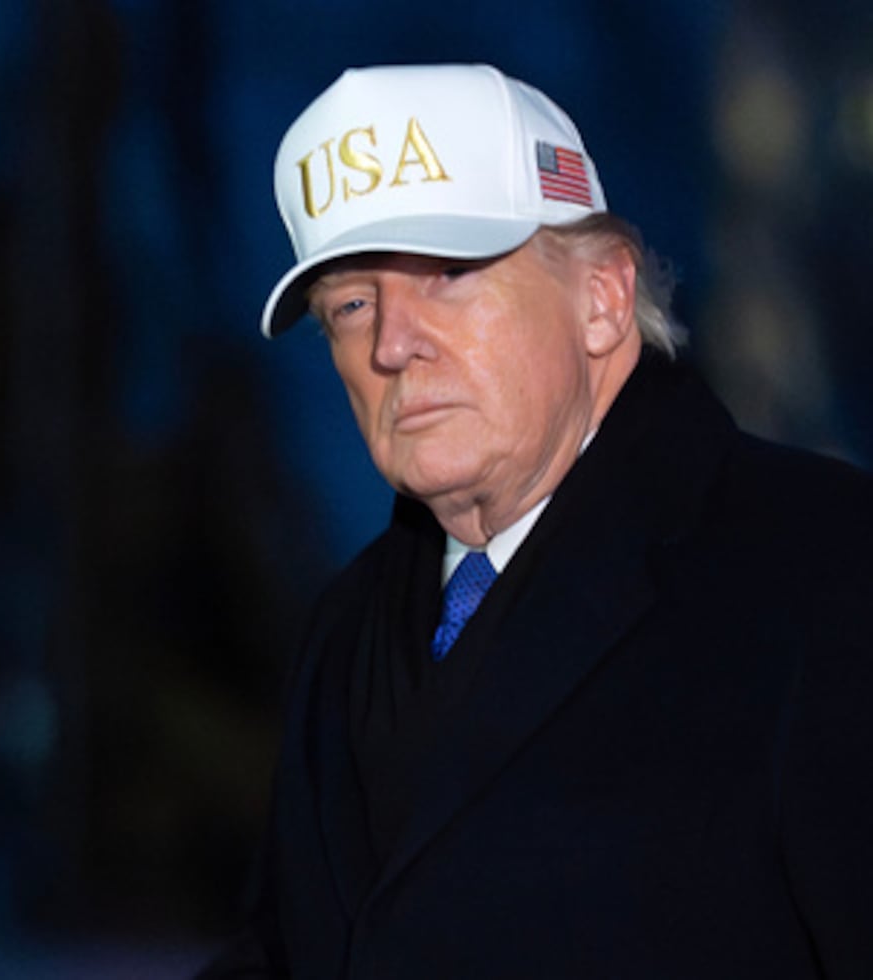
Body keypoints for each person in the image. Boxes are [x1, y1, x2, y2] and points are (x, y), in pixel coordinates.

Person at [199, 63, 873, 979]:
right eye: (352, 305)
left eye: (448, 272)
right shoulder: (348, 629)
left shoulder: (824, 572)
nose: (392, 343)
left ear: (600, 297)